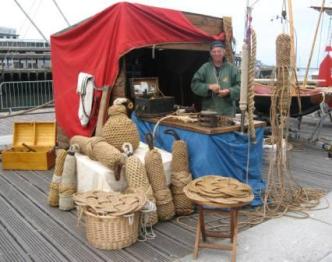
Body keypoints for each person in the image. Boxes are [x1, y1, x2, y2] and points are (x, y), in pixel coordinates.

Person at [191, 41, 240, 116]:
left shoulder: (232, 68)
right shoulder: (205, 68)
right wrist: (209, 87)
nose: (217, 54)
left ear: (224, 52)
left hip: (228, 113)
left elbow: (240, 87)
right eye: (214, 51)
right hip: (209, 112)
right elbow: (195, 84)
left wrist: (229, 91)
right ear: (210, 53)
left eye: (219, 51)